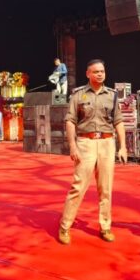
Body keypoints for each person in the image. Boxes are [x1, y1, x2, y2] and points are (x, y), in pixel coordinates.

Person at [58, 59, 127, 245]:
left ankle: (105, 226)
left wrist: (123, 146)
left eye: (102, 71)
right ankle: (64, 226)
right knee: (78, 186)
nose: (100, 74)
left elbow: (118, 121)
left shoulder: (112, 95)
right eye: (96, 72)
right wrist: (72, 146)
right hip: (85, 143)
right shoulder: (78, 95)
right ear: (88, 74)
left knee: (106, 188)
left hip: (107, 143)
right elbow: (70, 121)